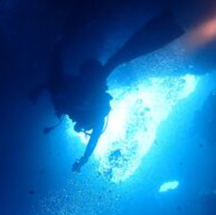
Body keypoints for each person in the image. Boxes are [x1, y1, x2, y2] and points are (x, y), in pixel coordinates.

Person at [32, 10, 185, 172]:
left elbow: (57, 85)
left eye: (81, 128)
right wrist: (84, 159)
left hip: (83, 83)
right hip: (89, 83)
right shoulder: (96, 114)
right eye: (83, 127)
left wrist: (39, 90)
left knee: (109, 60)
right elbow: (93, 140)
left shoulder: (85, 109)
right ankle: (163, 26)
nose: (79, 126)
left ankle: (164, 26)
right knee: (115, 60)